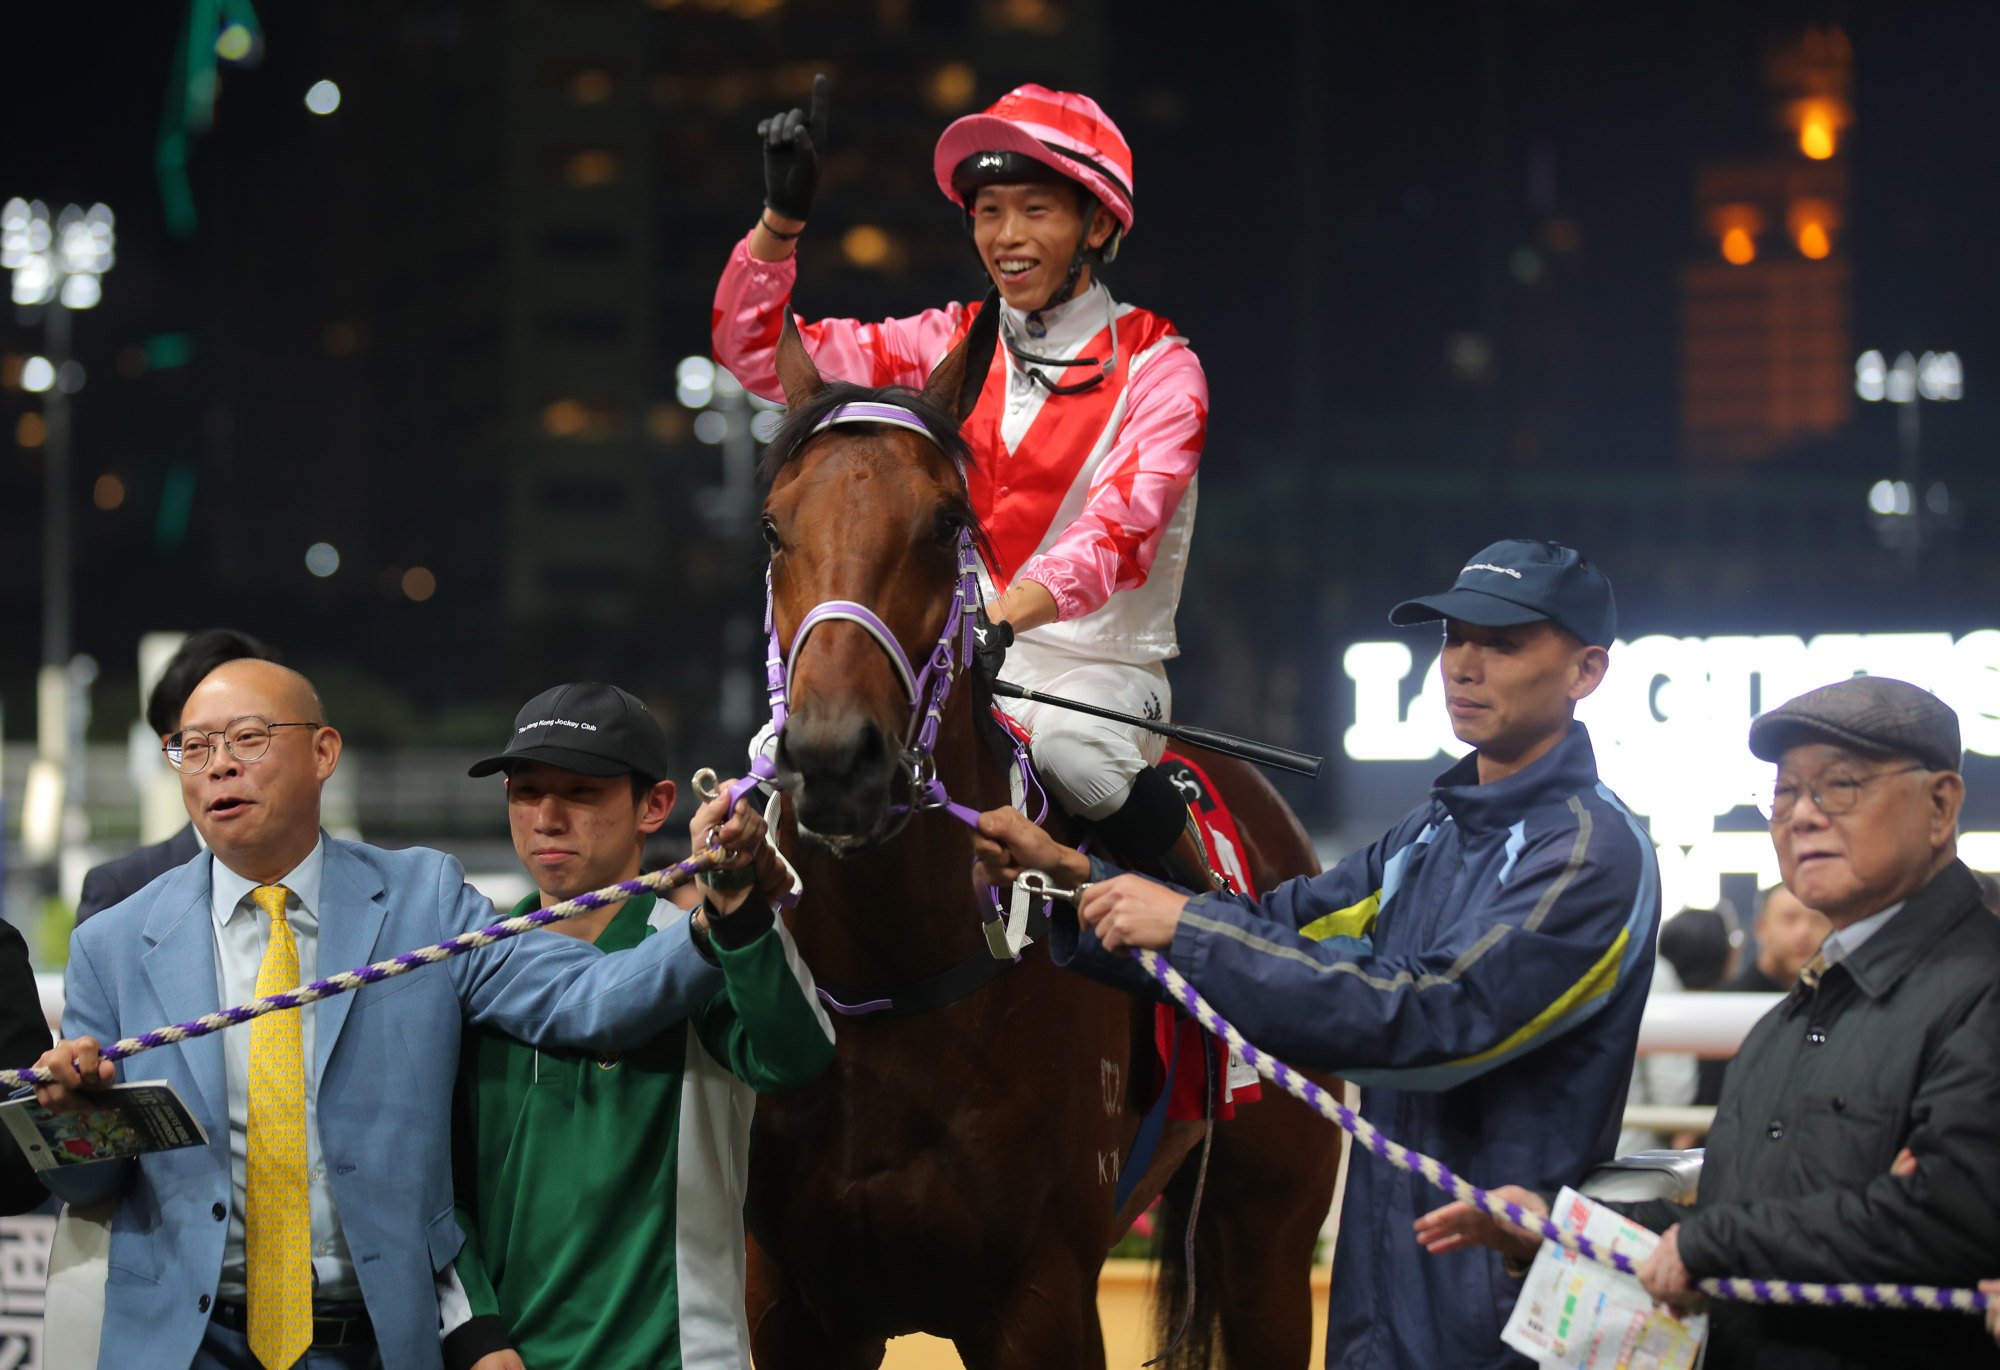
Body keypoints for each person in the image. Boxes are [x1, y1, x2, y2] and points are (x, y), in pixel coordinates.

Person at [975, 538, 1660, 1370]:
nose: (1463, 666)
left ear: (1586, 672)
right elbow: (1273, 930)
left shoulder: (1591, 853)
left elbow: (1435, 1019)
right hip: (1379, 1301)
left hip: (1508, 1316)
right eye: (1453, 638)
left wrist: (1181, 925)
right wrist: (1079, 879)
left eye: (1503, 642)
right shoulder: (1434, 828)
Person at [32, 659, 781, 1370]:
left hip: (379, 1342)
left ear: (324, 752)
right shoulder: (113, 945)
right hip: (187, 1345)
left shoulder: (426, 899)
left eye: (248, 739)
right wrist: (70, 1121)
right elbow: (91, 1190)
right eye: (192, 748)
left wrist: (721, 920)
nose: (218, 765)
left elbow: (587, 1000)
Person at [714, 78, 1220, 888]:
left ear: (1097, 224)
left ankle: (1210, 921)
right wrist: (780, 227)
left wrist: (1003, 615)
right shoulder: (938, 343)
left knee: (1074, 754)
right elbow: (753, 357)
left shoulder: (1163, 369)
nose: (1006, 236)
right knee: (785, 755)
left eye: (1036, 209)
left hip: (1093, 669)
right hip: (950, 654)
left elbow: (1118, 535)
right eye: (988, 211)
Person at [1418, 675, 2000, 1368]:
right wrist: (1560, 1227)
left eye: (1839, 786)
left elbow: (1951, 1221)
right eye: (1784, 792)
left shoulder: (1981, 990)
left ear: (1940, 805)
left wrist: (1715, 1243)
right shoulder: (1790, 1022)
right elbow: (1732, 1217)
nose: (1801, 816)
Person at [446, 683, 832, 1370]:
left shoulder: (707, 943)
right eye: (526, 791)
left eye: (581, 792)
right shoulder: (473, 963)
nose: (547, 818)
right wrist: (477, 1331)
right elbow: (434, 1186)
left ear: (655, 806)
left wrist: (740, 910)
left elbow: (796, 1058)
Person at [77, 629, 277, 925]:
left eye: (247, 735)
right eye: (196, 743)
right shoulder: (124, 892)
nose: (222, 762)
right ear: (172, 754)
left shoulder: (357, 880)